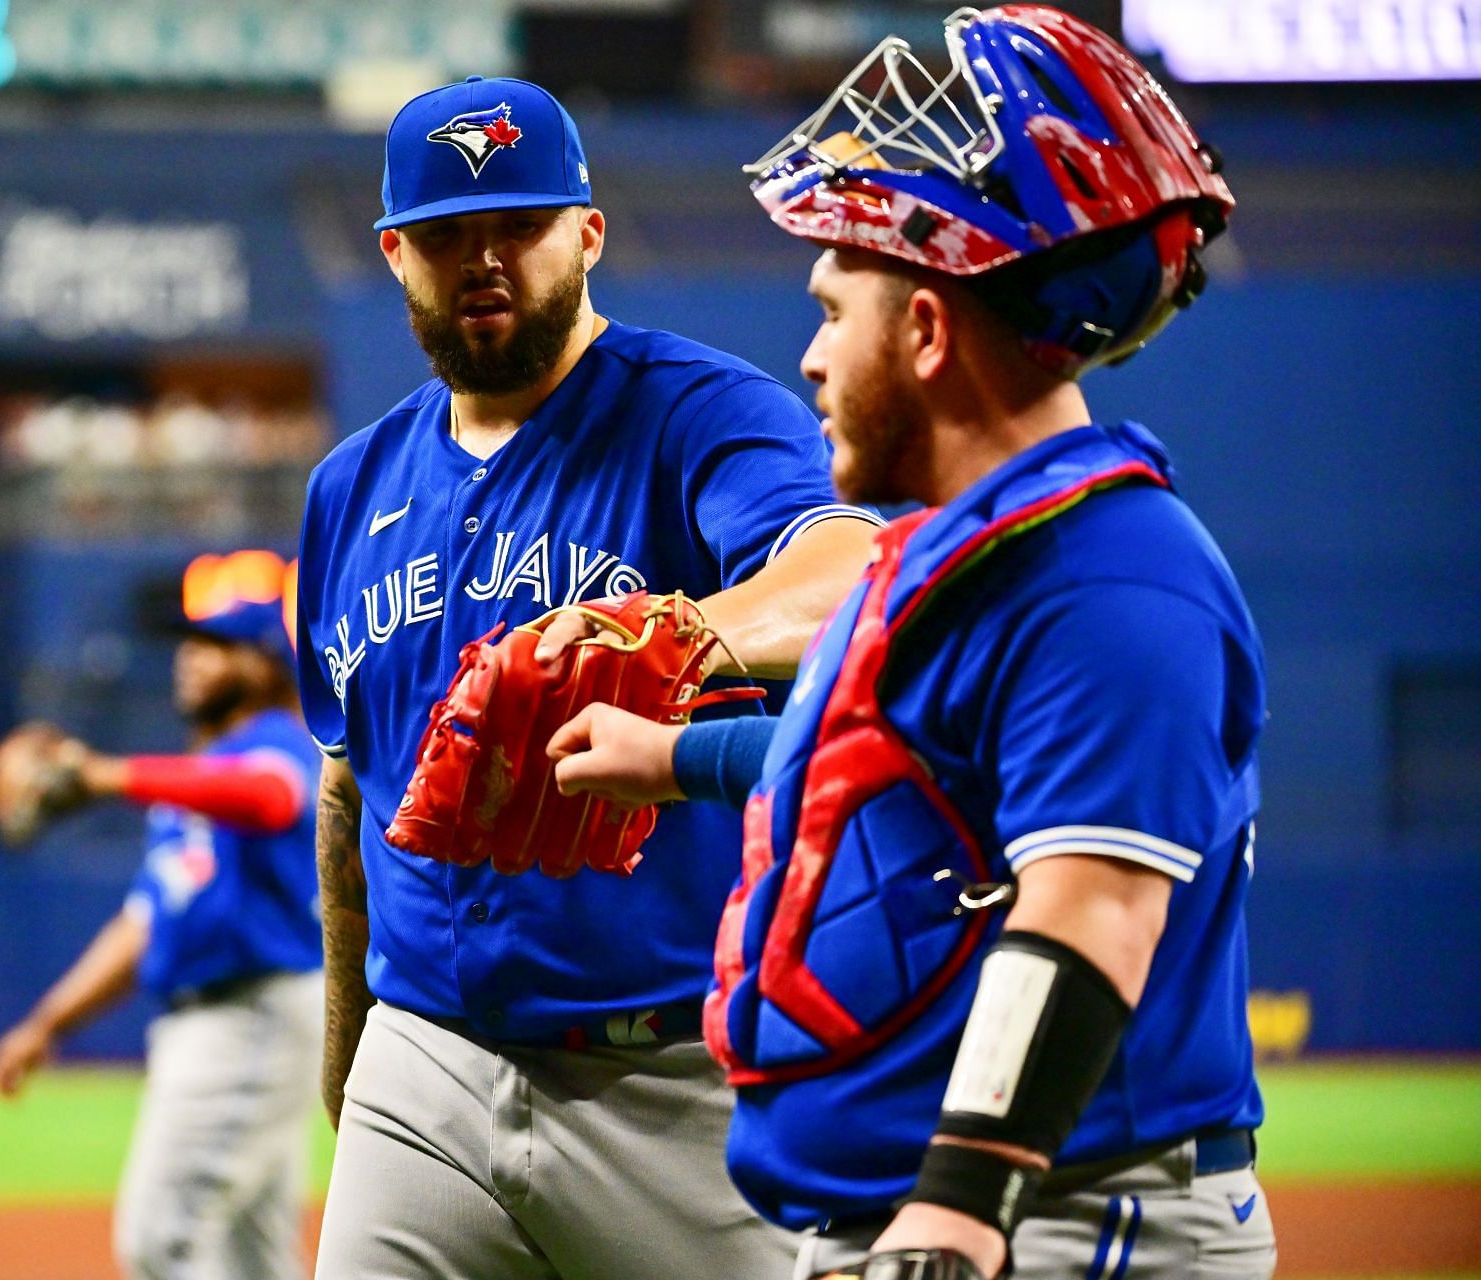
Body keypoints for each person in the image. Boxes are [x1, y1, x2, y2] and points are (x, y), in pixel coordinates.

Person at [546, 9, 1272, 1279]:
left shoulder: (1115, 577)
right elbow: (875, 765)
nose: (814, 356)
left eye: (836, 310)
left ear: (929, 332)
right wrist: (676, 755)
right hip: (955, 1219)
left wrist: (958, 1202)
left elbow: (1089, 907)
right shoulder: (959, 552)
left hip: (1051, 1222)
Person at [292, 76, 882, 1280]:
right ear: (396, 254)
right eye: (448, 237)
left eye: (518, 224)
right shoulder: (348, 488)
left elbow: (849, 572)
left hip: (668, 1080)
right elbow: (347, 790)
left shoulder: (701, 413)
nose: (485, 260)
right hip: (423, 1066)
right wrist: (348, 1063)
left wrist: (677, 633)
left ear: (588, 232)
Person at [0, 556, 324, 1280]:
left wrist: (106, 773)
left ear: (264, 666)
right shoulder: (195, 780)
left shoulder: (282, 744)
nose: (190, 660)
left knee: (161, 1240)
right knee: (254, 1260)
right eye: (188, 645)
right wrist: (47, 1025)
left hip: (253, 1012)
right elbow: (142, 926)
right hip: (219, 1022)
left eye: (215, 646)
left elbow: (273, 799)